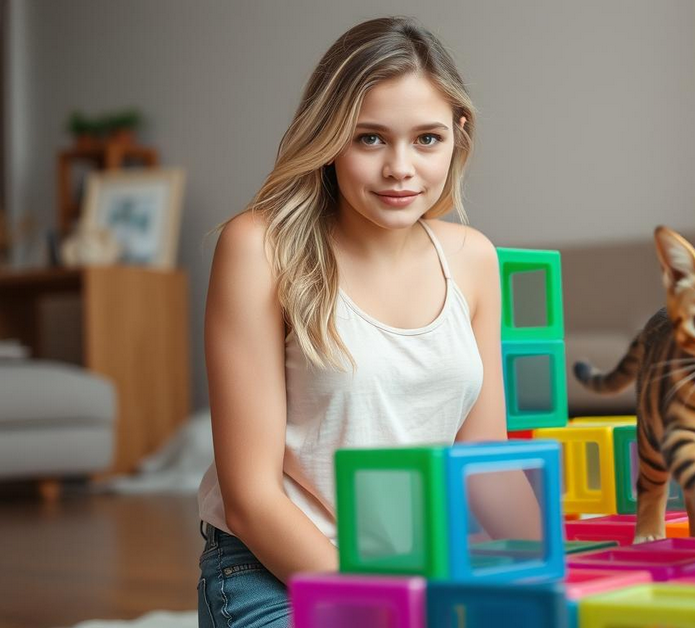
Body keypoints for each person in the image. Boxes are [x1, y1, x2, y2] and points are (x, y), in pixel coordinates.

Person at [196, 17, 537, 627]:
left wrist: (557, 579)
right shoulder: (259, 249)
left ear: (458, 135)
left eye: (427, 139)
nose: (401, 168)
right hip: (273, 573)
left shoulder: (473, 259)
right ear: (329, 139)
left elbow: (488, 465)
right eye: (370, 139)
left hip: (421, 575)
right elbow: (249, 500)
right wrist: (388, 610)